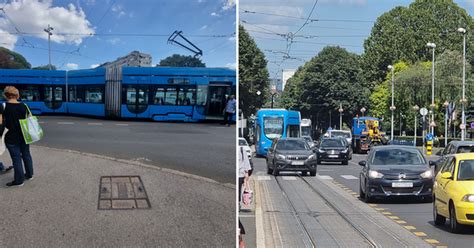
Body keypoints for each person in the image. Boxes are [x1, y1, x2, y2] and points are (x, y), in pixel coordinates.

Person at [0, 86, 34, 187]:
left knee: (16, 158)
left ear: (6, 95)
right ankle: (29, 174)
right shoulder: (24, 106)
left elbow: (0, 123)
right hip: (24, 135)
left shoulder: (3, 106)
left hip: (11, 136)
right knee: (26, 155)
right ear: (17, 95)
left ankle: (19, 181)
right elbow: (29, 119)